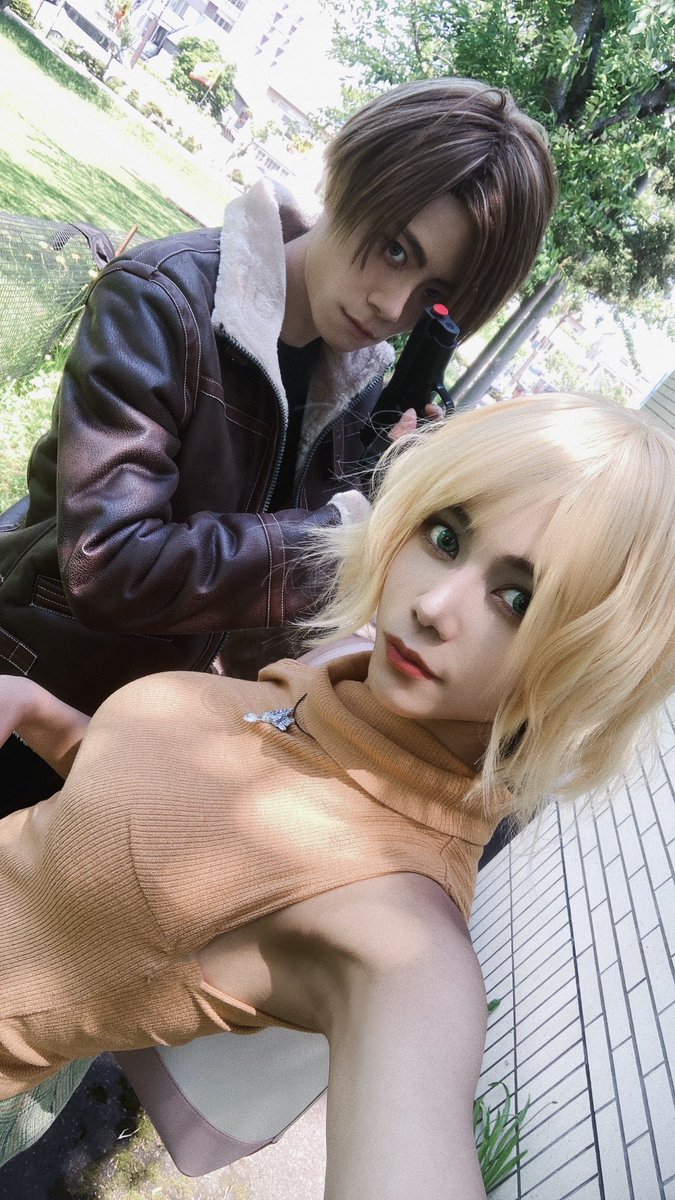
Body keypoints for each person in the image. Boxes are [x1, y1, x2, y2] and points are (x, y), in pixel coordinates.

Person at [1, 394, 673, 1197]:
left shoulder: (396, 925)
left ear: (594, 663)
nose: (431, 606)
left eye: (518, 599)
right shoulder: (344, 681)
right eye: (445, 536)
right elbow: (142, 832)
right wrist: (39, 713)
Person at [0, 77, 558, 808]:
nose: (391, 306)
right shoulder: (162, 303)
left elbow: (282, 611)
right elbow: (109, 566)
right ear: (351, 179)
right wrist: (344, 527)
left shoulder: (362, 387)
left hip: (146, 739)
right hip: (31, 690)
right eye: (395, 249)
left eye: (432, 296)